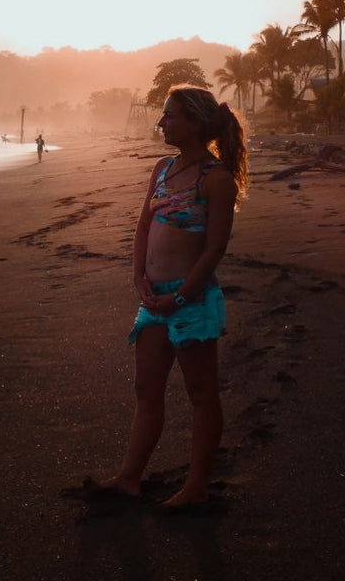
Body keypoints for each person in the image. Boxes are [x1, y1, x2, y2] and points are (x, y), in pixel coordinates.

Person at [93, 85, 248, 511]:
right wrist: (139, 278)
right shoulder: (162, 168)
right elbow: (144, 227)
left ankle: (197, 486)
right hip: (153, 301)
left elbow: (215, 248)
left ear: (195, 123)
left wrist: (180, 297)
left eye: (170, 115)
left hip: (191, 302)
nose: (161, 122)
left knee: (201, 395)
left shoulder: (216, 179)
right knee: (147, 390)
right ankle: (129, 477)